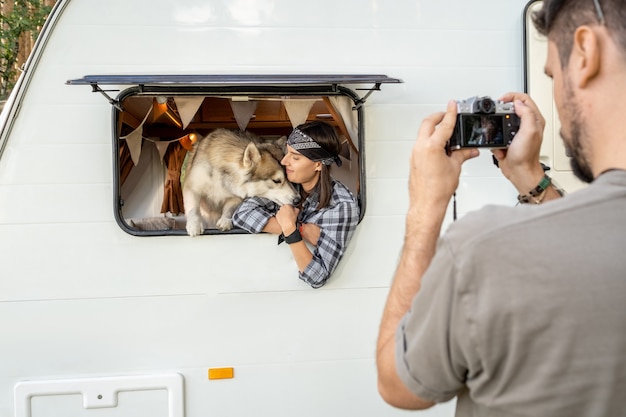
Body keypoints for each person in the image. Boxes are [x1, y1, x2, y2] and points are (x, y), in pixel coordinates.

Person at [376, 0, 626, 415]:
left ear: (585, 52)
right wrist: (529, 177)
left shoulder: (484, 247)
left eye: (553, 76)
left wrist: (425, 206)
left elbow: (399, 386)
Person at [232, 120, 360, 288]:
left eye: (295, 157)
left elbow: (318, 276)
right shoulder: (288, 185)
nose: (284, 162)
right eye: (287, 153)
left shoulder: (341, 206)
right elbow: (241, 214)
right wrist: (302, 229)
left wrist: (292, 231)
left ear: (318, 165)